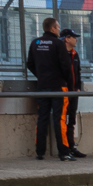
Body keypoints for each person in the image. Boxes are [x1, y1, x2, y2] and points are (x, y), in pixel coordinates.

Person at [24, 16, 63, 160]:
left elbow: (29, 64)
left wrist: (40, 75)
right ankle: (63, 152)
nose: (59, 29)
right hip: (57, 86)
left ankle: (40, 152)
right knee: (58, 119)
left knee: (42, 119)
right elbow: (65, 65)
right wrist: (62, 79)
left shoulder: (36, 43)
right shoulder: (58, 44)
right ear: (52, 28)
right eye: (58, 27)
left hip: (42, 86)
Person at [58, 29, 84, 159]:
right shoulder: (59, 54)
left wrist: (78, 87)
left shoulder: (75, 54)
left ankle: (71, 146)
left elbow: (77, 72)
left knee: (71, 119)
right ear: (67, 39)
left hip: (74, 91)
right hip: (63, 91)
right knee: (63, 119)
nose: (76, 39)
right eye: (74, 37)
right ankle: (65, 148)